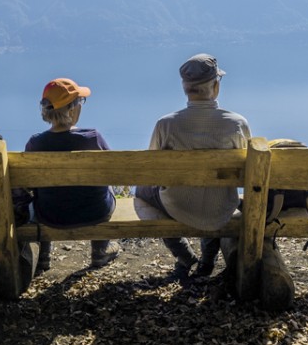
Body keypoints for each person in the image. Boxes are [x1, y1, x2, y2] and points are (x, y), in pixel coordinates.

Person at [134, 53, 252, 279]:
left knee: (143, 191)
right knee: (212, 193)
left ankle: (185, 255)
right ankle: (208, 261)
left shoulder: (166, 124)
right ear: (215, 87)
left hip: (177, 206)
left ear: (185, 88)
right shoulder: (237, 124)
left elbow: (150, 169)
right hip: (222, 206)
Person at [21, 77, 115, 272]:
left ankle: (44, 257)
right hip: (95, 212)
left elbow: (28, 185)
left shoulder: (35, 144)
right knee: (107, 186)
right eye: (80, 102)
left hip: (50, 214)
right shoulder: (93, 138)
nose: (81, 106)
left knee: (43, 194)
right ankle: (100, 252)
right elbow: (113, 172)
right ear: (72, 109)